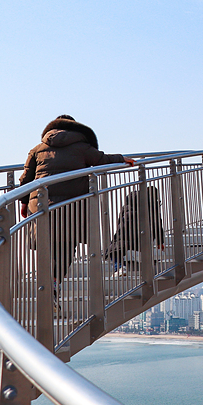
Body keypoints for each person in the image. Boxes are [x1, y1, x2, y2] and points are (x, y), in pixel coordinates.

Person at [19, 115, 135, 300]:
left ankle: (45, 286)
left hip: (41, 206)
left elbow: (26, 180)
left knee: (46, 247)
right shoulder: (81, 147)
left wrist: (24, 202)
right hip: (70, 207)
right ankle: (54, 284)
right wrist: (122, 159)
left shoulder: (37, 150)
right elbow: (101, 160)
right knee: (65, 247)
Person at [104, 186, 164, 277]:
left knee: (115, 250)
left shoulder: (127, 205)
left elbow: (120, 221)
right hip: (142, 238)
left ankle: (119, 267)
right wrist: (160, 242)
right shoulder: (152, 207)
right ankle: (148, 266)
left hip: (124, 235)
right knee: (144, 248)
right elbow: (158, 225)